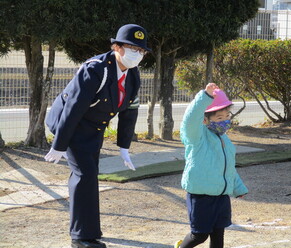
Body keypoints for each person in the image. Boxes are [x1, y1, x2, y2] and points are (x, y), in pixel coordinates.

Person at [44, 24, 151, 248]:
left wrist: (124, 146)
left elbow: (130, 111)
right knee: (85, 175)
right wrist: (59, 144)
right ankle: (81, 237)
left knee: (89, 175)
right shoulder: (95, 69)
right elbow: (73, 107)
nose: (137, 54)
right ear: (116, 46)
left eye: (141, 51)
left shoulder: (133, 75)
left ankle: (89, 233)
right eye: (131, 47)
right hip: (70, 124)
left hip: (94, 127)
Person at [175, 83, 248, 248]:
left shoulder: (224, 139)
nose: (224, 121)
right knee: (199, 235)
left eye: (227, 116)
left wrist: (238, 187)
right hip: (201, 196)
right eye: (219, 118)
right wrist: (204, 98)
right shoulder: (197, 137)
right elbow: (190, 120)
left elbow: (228, 167)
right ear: (205, 119)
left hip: (221, 196)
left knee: (218, 234)